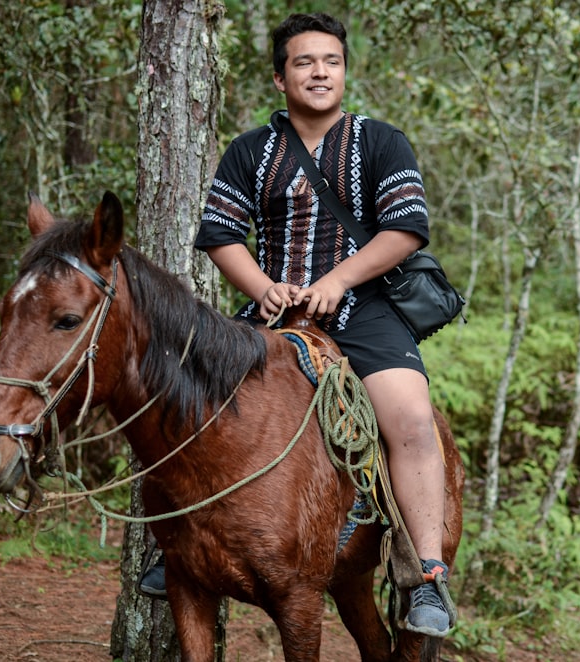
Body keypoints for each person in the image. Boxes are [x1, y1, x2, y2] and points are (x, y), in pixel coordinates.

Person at [143, 12, 453, 637]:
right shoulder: (250, 150)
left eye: (331, 62)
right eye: (305, 62)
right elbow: (221, 236)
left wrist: (339, 280)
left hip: (364, 312)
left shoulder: (382, 141)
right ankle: (173, 547)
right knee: (181, 404)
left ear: (344, 71)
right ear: (280, 76)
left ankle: (427, 580)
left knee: (414, 419)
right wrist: (264, 288)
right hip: (270, 315)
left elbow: (406, 228)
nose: (320, 72)